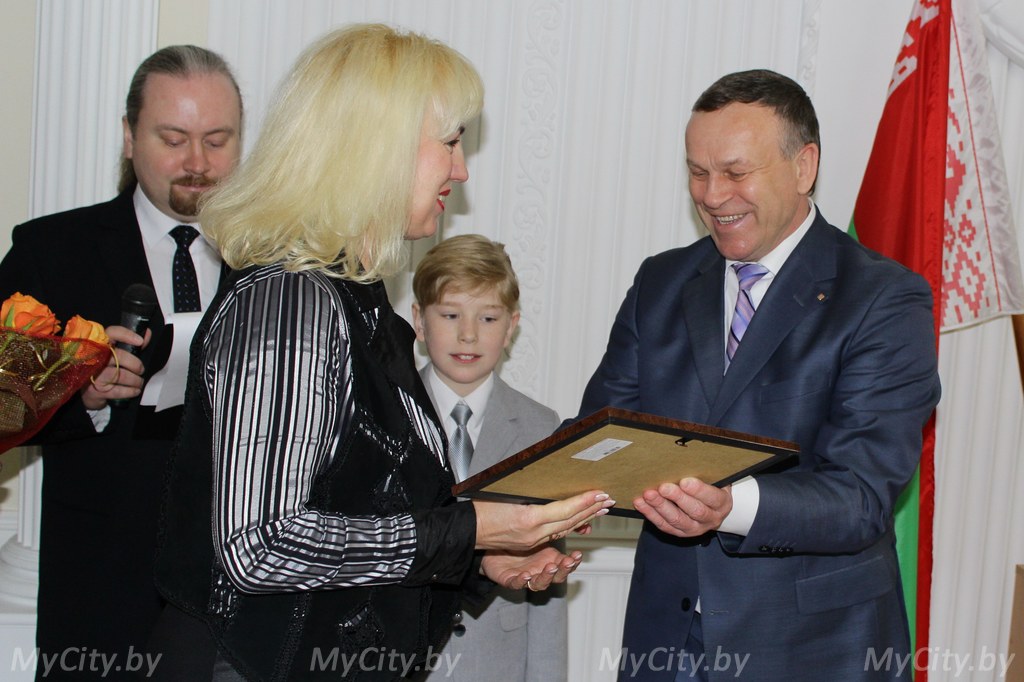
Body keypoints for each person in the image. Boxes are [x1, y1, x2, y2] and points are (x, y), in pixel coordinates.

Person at [151, 24, 612, 682]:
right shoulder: (290, 300)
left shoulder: (363, 308)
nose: (461, 168)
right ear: (379, 148)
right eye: (449, 141)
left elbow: (360, 515)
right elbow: (261, 544)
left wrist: (481, 562)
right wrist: (472, 531)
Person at [575, 69, 941, 681]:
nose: (713, 195)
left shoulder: (884, 299)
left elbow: (861, 496)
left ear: (804, 167)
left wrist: (727, 507)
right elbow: (601, 435)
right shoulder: (661, 282)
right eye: (697, 172)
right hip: (666, 642)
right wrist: (521, 518)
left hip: (814, 649)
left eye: (736, 172)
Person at [0, 45, 242, 679]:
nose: (197, 163)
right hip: (102, 602)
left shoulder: (276, 261)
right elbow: (0, 408)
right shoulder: (53, 250)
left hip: (243, 607)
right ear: (130, 136)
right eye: (174, 139)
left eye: (217, 141)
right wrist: (78, 393)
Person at [410, 234, 567, 682]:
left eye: (488, 317)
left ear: (511, 326)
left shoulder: (540, 427)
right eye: (450, 315)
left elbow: (548, 580)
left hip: (498, 664)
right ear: (419, 321)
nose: (468, 334)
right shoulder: (390, 416)